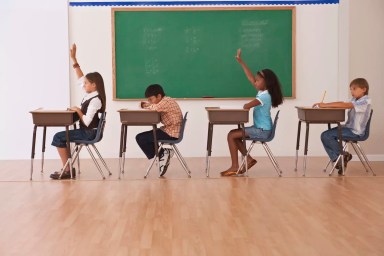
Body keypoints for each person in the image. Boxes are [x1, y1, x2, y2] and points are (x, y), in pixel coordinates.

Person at [221, 49, 284, 177]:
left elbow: (247, 106)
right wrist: (241, 62)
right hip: (260, 129)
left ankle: (235, 166)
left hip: (262, 131)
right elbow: (250, 77)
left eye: (258, 80)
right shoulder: (263, 92)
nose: (255, 82)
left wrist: (246, 106)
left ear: (266, 83)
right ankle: (248, 159)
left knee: (231, 135)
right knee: (234, 135)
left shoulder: (265, 96)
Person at [50, 44, 106, 179]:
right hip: (89, 131)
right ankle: (68, 168)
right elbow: (81, 78)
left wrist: (78, 110)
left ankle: (67, 170)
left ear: (94, 85)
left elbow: (86, 122)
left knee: (58, 137)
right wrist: (74, 59)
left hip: (89, 133)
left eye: (87, 83)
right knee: (62, 137)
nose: (84, 85)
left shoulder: (95, 100)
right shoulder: (91, 95)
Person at [312, 78, 372, 174]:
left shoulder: (365, 101)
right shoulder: (354, 99)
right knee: (325, 135)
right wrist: (324, 104)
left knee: (326, 135)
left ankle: (341, 157)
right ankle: (341, 158)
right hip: (348, 128)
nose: (352, 91)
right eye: (351, 89)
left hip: (356, 132)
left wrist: (325, 106)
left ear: (364, 89)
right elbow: (342, 103)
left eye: (354, 89)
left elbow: (347, 105)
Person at [136, 84, 182, 176]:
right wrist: (147, 104)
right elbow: (154, 106)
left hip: (171, 133)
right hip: (169, 130)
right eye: (148, 100)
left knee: (141, 138)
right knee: (142, 137)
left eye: (151, 99)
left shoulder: (166, 101)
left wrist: (144, 105)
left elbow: (155, 107)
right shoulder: (164, 101)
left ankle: (162, 156)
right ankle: (163, 155)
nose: (150, 102)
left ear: (159, 96)